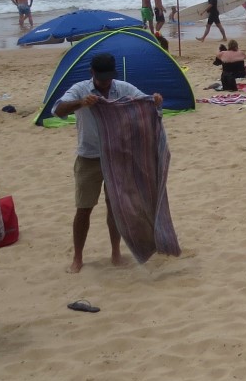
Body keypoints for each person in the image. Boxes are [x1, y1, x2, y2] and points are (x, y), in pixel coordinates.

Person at [52, 53, 163, 273]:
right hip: (89, 157)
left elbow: (146, 103)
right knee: (84, 208)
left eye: (108, 77)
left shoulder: (122, 88)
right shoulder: (80, 89)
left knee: (115, 207)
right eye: (101, 77)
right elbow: (57, 110)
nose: (105, 82)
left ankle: (116, 253)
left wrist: (155, 101)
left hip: (117, 156)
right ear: (92, 73)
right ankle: (78, 257)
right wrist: (81, 103)